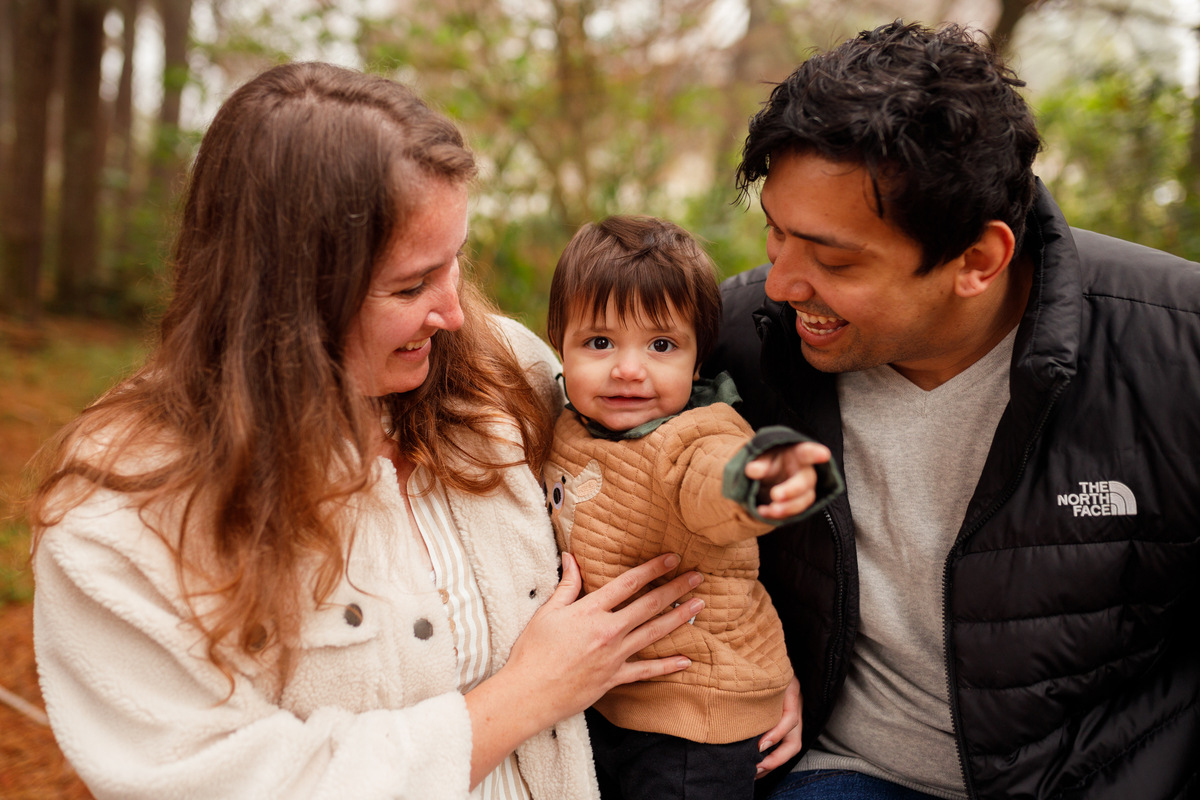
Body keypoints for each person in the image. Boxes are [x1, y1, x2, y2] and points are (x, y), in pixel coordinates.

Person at [28, 62, 724, 800]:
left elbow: (663, 501)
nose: (454, 311)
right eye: (410, 284)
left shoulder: (508, 372)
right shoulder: (123, 517)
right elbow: (206, 782)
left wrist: (754, 683)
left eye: (454, 262)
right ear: (286, 297)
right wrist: (528, 694)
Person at [704, 20, 1200, 800]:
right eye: (775, 233)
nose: (780, 284)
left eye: (833, 259)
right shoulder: (737, 339)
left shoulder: (1176, 350)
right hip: (850, 776)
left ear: (978, 260)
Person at [542, 215, 844, 800]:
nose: (628, 369)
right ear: (561, 345)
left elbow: (709, 482)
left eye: (661, 346)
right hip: (605, 698)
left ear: (698, 361)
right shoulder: (570, 423)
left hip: (695, 713)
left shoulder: (693, 435)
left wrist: (755, 480)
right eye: (599, 343)